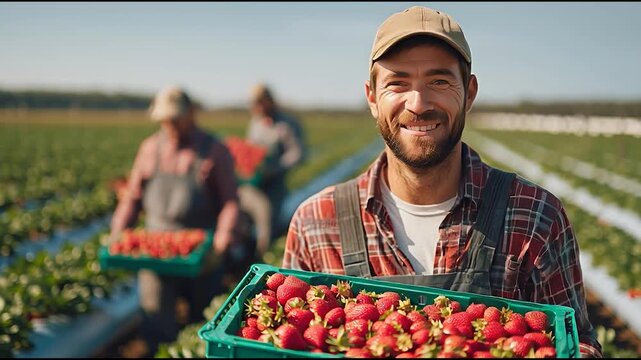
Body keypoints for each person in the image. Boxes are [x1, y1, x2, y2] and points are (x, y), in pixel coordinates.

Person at [282, 6, 602, 358]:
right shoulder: (316, 223)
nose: (418, 104)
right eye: (397, 83)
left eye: (439, 81)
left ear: (469, 92)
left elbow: (578, 344)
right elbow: (284, 335)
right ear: (372, 97)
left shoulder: (536, 215)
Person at [110, 85, 240, 357]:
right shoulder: (149, 149)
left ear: (191, 114)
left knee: (202, 320)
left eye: (176, 118)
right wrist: (119, 231)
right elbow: (133, 197)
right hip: (155, 251)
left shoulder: (214, 150)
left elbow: (229, 201)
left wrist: (222, 238)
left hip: (201, 251)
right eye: (164, 119)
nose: (169, 124)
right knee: (156, 320)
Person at [238, 83, 307, 256]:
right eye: (253, 104)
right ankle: (243, 253)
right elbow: (251, 149)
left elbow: (298, 153)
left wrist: (275, 167)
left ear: (269, 101)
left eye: (259, 103)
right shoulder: (255, 123)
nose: (256, 107)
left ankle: (262, 256)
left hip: (275, 185)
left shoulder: (286, 125)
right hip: (253, 183)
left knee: (267, 221)